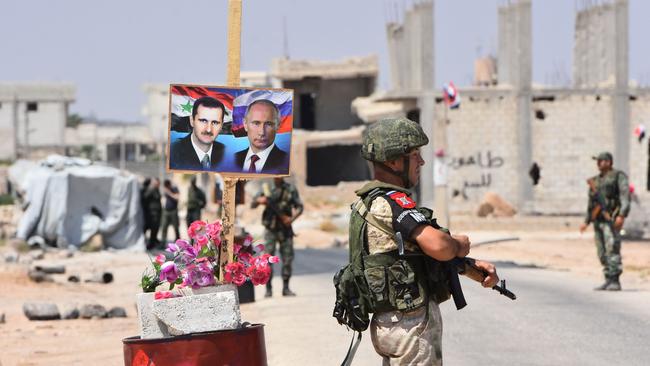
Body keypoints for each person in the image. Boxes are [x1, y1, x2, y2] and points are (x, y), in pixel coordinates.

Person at [353, 117, 499, 365]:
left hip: (390, 321)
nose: (421, 161)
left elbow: (412, 256)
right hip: (408, 325)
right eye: (414, 154)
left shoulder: (367, 203)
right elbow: (440, 247)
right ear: (393, 161)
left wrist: (473, 269)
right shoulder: (392, 202)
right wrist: (459, 243)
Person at [579, 151, 630, 291]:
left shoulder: (618, 176)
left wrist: (622, 215)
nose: (599, 163)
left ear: (609, 162)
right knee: (601, 252)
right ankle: (608, 278)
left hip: (611, 219)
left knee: (612, 248)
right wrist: (586, 221)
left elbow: (625, 196)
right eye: (598, 161)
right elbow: (591, 203)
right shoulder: (595, 181)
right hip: (598, 220)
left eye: (602, 160)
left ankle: (615, 280)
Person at [252, 177, 303, 297]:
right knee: (267, 259)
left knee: (287, 259)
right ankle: (268, 289)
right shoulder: (267, 188)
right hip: (271, 229)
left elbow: (300, 207)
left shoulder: (290, 189)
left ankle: (286, 288)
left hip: (285, 229)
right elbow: (253, 204)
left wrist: (291, 219)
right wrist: (260, 200)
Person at [169, 96, 226, 171]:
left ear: (221, 125)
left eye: (215, 122)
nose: (209, 129)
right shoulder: (172, 152)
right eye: (203, 121)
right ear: (192, 121)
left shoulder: (226, 154)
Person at [234, 99, 289, 174]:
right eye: (256, 123)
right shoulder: (232, 160)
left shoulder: (288, 163)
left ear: (278, 126)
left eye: (269, 124)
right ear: (245, 124)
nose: (262, 132)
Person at [143, 178, 162, 250]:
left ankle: (152, 244)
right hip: (152, 213)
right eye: (157, 183)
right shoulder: (151, 190)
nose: (158, 184)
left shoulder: (157, 190)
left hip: (157, 214)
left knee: (155, 230)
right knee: (150, 229)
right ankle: (149, 245)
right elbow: (145, 198)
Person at [160, 179, 181, 245]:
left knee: (176, 227)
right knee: (164, 227)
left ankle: (178, 242)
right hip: (166, 211)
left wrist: (169, 192)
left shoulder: (174, 188)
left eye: (167, 186)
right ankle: (163, 242)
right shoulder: (165, 189)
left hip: (173, 211)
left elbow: (177, 197)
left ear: (169, 185)